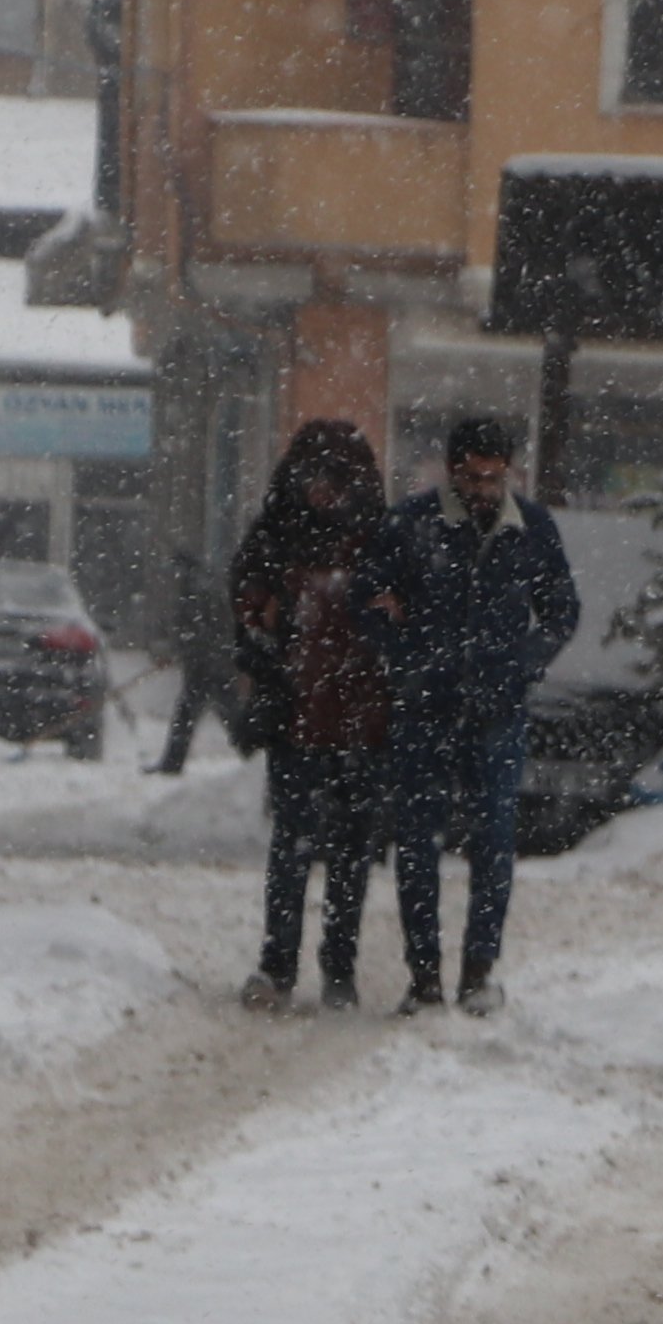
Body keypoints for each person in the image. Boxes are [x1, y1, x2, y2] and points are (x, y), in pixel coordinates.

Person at [373, 406, 581, 1018]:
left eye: (494, 478)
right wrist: (407, 658)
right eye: (472, 477)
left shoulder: (533, 528)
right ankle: (424, 976)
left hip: (496, 710)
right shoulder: (412, 525)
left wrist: (521, 664)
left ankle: (478, 971)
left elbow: (562, 611)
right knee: (417, 843)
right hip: (426, 708)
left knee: (494, 840)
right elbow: (370, 600)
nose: (484, 490)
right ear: (452, 471)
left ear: (510, 473)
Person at [225, 420, 397, 1011]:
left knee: (350, 852)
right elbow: (246, 610)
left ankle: (339, 970)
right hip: (299, 717)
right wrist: (268, 645)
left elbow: (402, 617)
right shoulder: (277, 536)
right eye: (313, 479)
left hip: (361, 720)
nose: (323, 492)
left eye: (334, 481)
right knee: (293, 846)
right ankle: (278, 966)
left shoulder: (379, 540)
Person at [148, 538, 218, 775]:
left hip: (206, 663)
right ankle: (172, 763)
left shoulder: (196, 588)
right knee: (193, 712)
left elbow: (197, 628)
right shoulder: (198, 584)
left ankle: (172, 763)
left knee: (190, 712)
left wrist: (184, 649)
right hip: (206, 662)